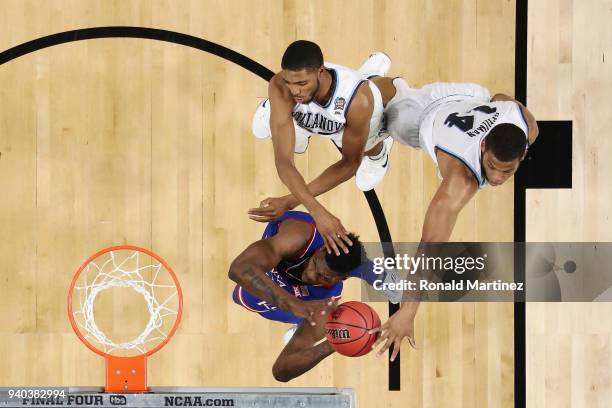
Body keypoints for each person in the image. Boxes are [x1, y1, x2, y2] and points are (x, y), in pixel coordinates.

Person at [366, 77, 539, 361]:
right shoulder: (462, 181)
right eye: (493, 167)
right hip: (423, 116)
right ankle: (378, 90)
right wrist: (408, 310)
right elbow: (429, 246)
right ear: (483, 147)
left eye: (507, 172)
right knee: (380, 121)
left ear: (522, 155)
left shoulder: (527, 127)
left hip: (469, 96)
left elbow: (499, 96)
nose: (495, 178)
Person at [248, 40, 394, 256]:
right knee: (260, 128)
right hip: (307, 114)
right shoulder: (281, 86)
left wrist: (291, 201)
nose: (294, 90)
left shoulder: (358, 101)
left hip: (345, 121)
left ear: (321, 72)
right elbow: (283, 161)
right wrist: (315, 209)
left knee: (368, 143)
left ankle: (378, 148)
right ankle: (282, 112)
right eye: (289, 81)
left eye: (302, 83)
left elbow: (349, 164)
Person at [228, 210, 396, 381]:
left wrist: (335, 342)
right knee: (243, 294)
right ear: (322, 249)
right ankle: (300, 320)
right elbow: (239, 269)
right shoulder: (300, 236)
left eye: (324, 277)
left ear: (342, 278)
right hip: (284, 295)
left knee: (375, 280)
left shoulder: (324, 305)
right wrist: (295, 304)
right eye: (315, 264)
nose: (310, 274)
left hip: (303, 303)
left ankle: (303, 327)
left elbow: (281, 372)